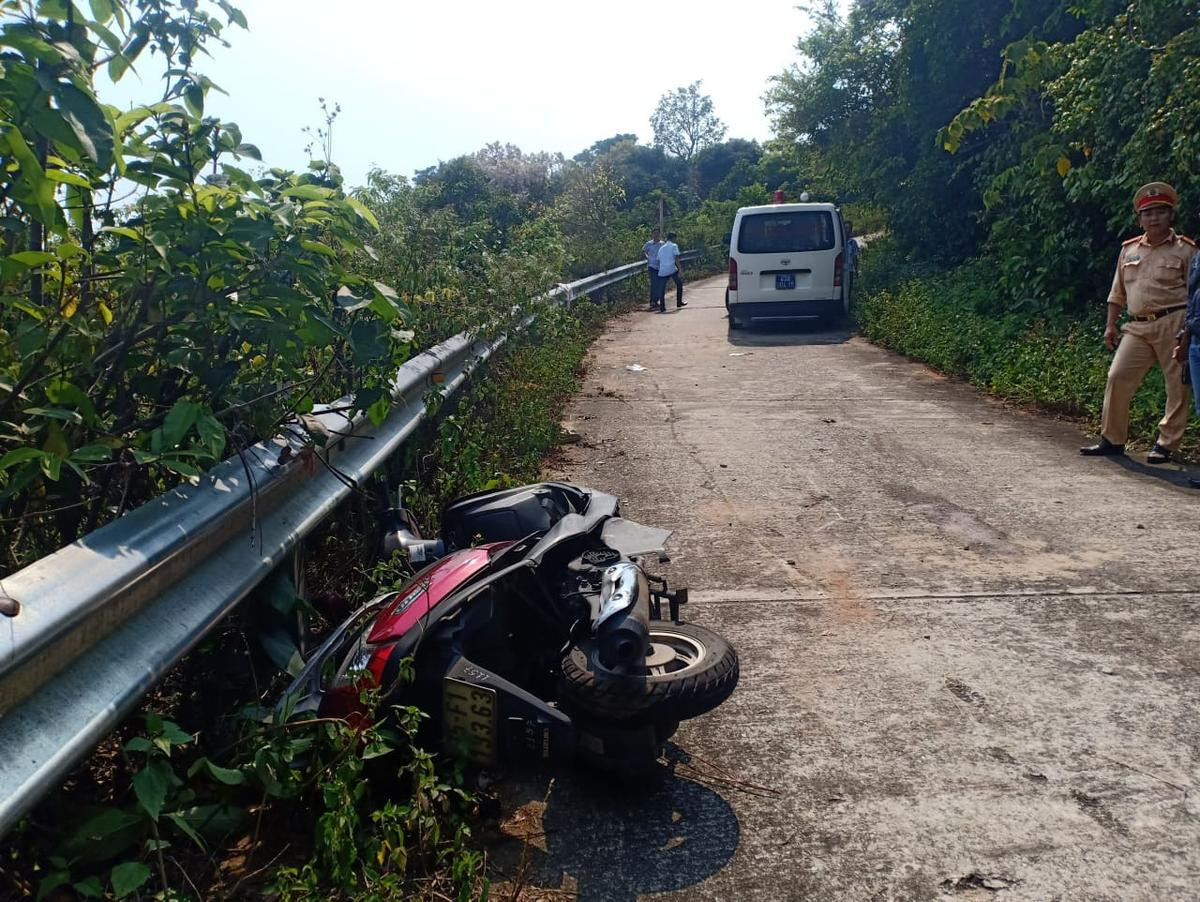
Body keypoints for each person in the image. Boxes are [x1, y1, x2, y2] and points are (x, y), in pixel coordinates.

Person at [1080, 182, 1197, 461]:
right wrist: (1110, 324)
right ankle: (1112, 438)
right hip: (1137, 325)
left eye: (1159, 212)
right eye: (1147, 213)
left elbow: (1196, 294)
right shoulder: (1129, 250)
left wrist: (1190, 331)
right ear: (1139, 219)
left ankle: (1166, 444)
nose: (1153, 218)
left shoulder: (1186, 250)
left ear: (1171, 215)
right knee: (1117, 376)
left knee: (1177, 386)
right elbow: (1117, 292)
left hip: (1175, 321)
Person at [1174, 247, 1200, 486]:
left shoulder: (1188, 250)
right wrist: (1185, 338)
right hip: (1196, 339)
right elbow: (1193, 303)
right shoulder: (1198, 257)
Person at [656, 232, 685, 310]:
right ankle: (679, 302)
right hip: (672, 269)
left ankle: (662, 307)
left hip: (662, 270)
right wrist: (680, 270)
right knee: (679, 284)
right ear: (673, 238)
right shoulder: (674, 246)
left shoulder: (661, 248)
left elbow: (658, 260)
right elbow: (676, 258)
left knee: (662, 288)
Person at [643, 227, 664, 311]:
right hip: (652, 266)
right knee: (654, 283)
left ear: (660, 234)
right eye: (654, 233)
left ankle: (656, 301)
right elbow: (643, 250)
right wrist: (647, 257)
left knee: (659, 284)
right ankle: (652, 301)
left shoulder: (662, 244)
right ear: (652, 235)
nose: (656, 235)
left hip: (660, 266)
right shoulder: (649, 244)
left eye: (657, 233)